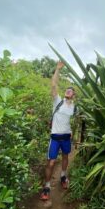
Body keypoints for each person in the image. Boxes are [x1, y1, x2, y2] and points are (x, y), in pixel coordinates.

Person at [40, 61, 76, 200]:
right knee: (51, 162)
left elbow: (70, 120)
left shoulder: (74, 107)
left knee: (66, 157)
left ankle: (62, 176)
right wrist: (57, 69)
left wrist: (71, 130)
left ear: (74, 95)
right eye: (67, 89)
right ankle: (47, 186)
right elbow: (54, 85)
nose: (68, 90)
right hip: (55, 137)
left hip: (66, 137)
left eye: (71, 90)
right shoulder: (58, 101)